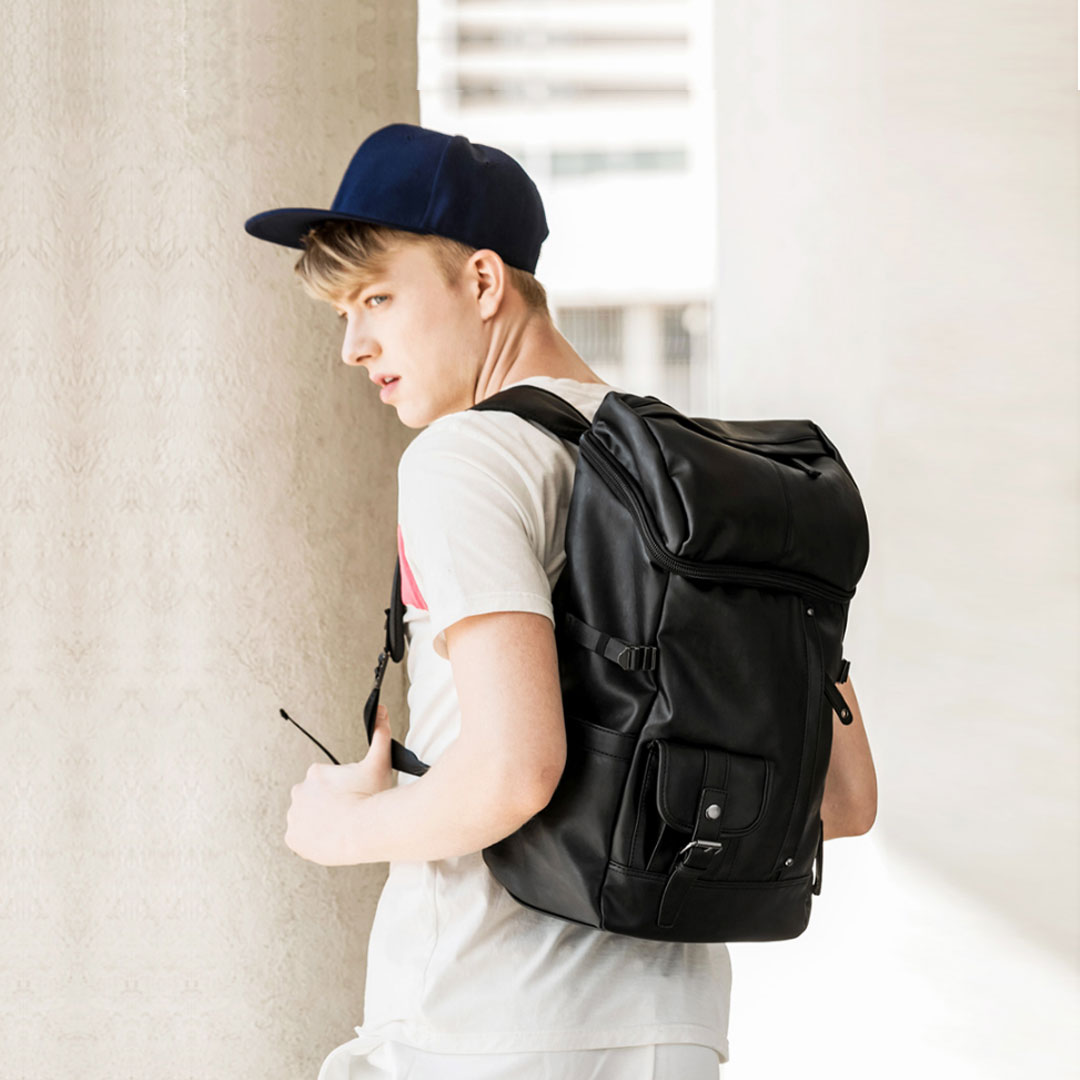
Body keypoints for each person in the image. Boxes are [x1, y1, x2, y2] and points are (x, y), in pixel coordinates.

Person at [244, 122, 876, 1080]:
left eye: (377, 298)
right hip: (674, 1030)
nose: (354, 345)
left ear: (483, 282)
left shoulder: (468, 456)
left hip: (490, 1022)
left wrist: (343, 830)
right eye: (342, 312)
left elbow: (513, 770)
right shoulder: (701, 477)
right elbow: (846, 798)